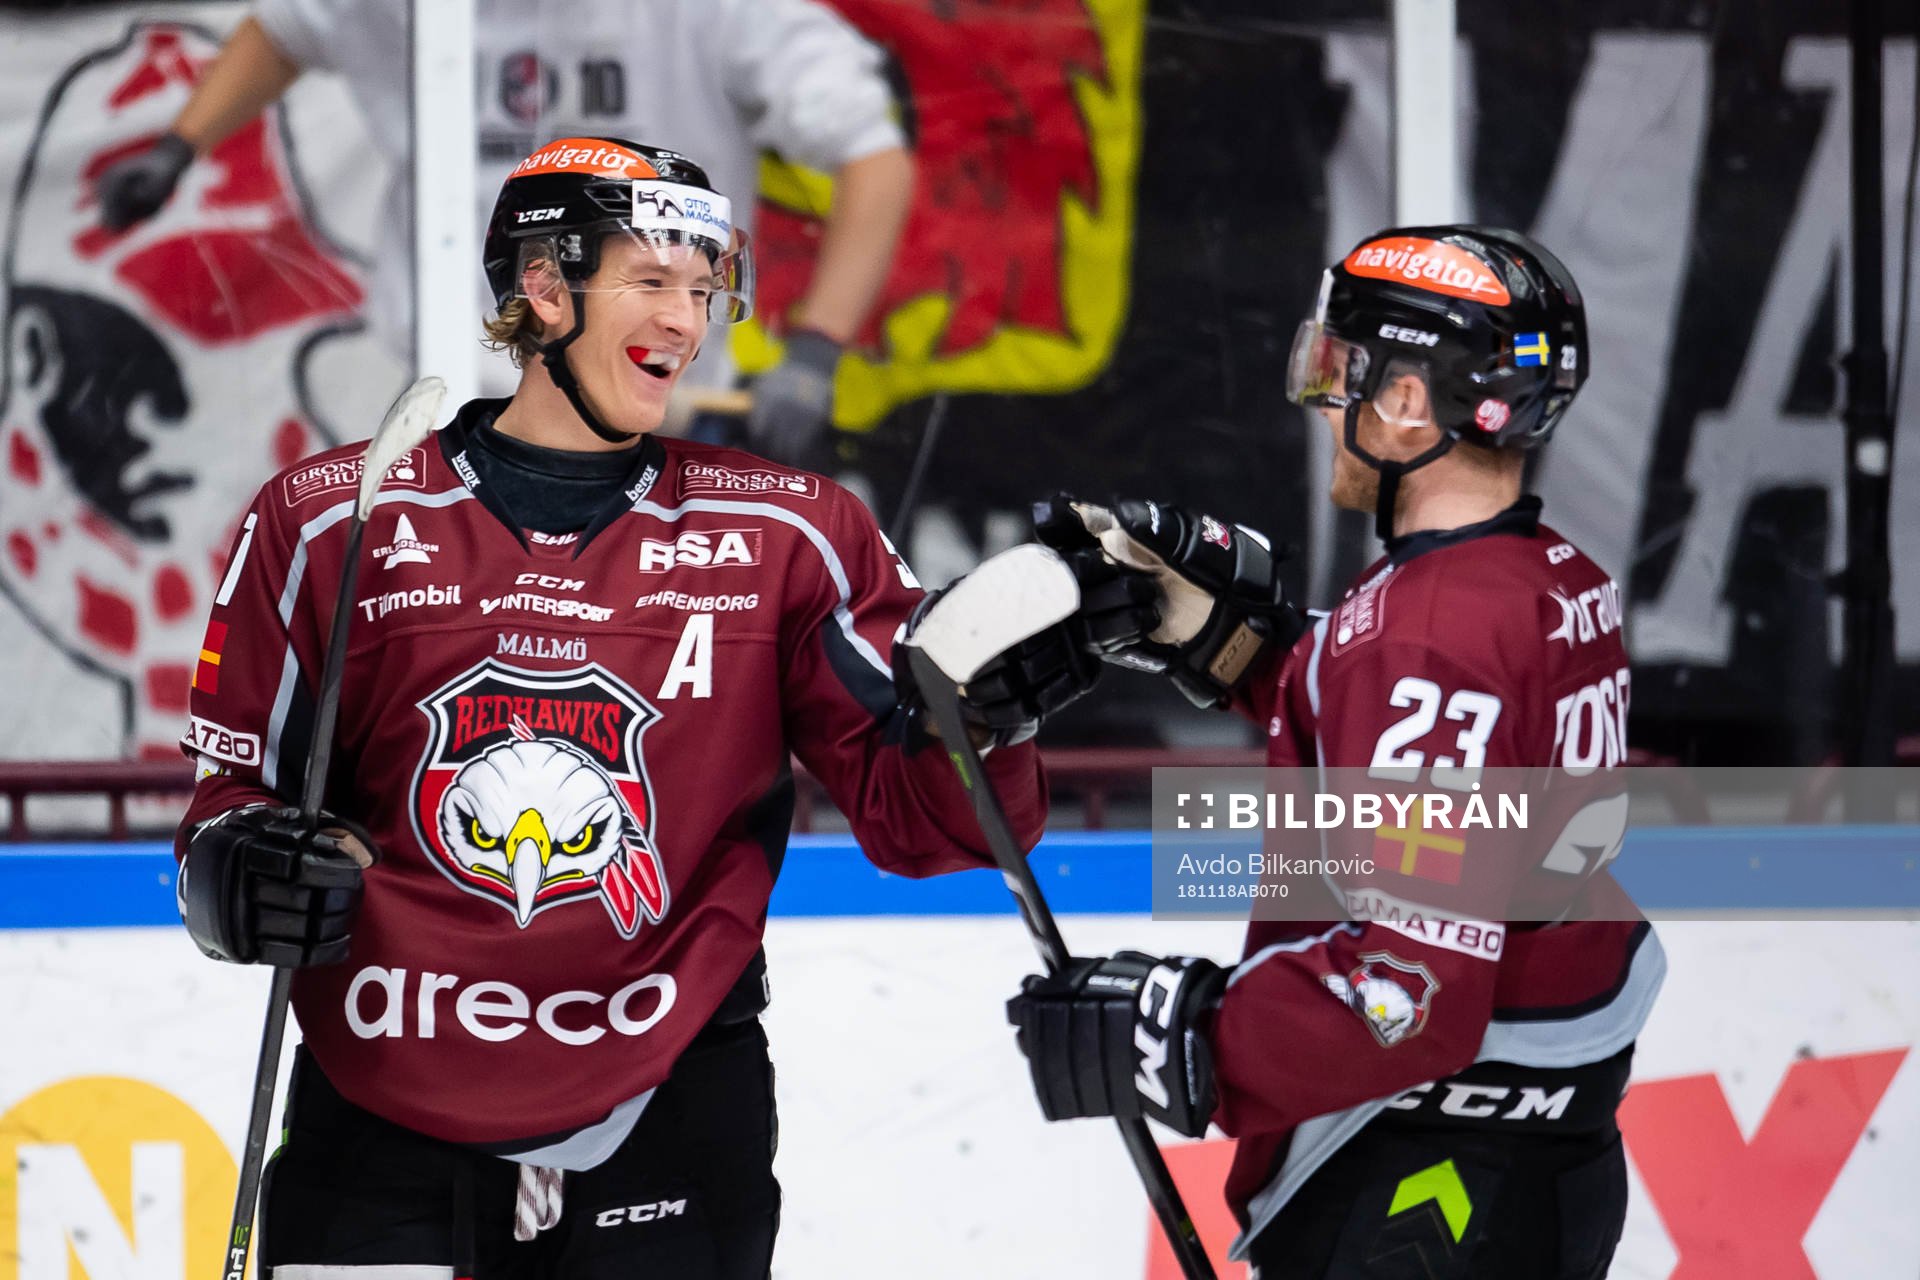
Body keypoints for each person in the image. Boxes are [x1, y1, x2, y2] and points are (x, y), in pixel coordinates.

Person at [172, 136, 1142, 1279]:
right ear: (542, 284)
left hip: (671, 1106)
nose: (686, 322)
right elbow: (229, 801)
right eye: (649, 280)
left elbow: (925, 820)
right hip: (383, 1115)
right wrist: (235, 871)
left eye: (702, 286)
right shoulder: (336, 516)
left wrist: (990, 718)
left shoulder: (794, 532)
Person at [1003, 227, 1664, 1277]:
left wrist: (1193, 1037)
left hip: (1424, 1180)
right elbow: (1443, 763)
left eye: (1343, 370)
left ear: (1408, 402)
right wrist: (1236, 646)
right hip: (1535, 1156)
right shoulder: (1550, 577)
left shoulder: (1430, 633)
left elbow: (1412, 980)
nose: (1327, 403)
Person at [95, 0, 915, 462]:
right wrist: (181, 143)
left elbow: (874, 157)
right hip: (450, 408)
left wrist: (817, 351)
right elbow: (286, 30)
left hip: (651, 419)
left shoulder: (714, 10)